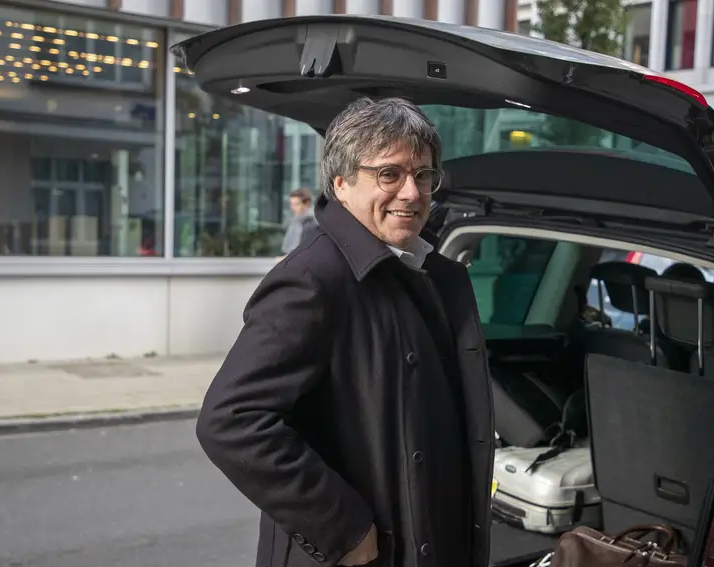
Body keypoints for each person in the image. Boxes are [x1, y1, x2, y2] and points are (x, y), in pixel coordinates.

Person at [195, 97, 494, 567]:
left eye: (423, 175)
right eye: (390, 174)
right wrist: (345, 528)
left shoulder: (436, 274)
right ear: (341, 183)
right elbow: (231, 421)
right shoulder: (314, 278)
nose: (412, 193)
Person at [281, 187, 318, 255]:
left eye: (296, 204)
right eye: (291, 204)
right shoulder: (296, 220)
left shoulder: (312, 222)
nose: (292, 207)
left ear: (307, 203)